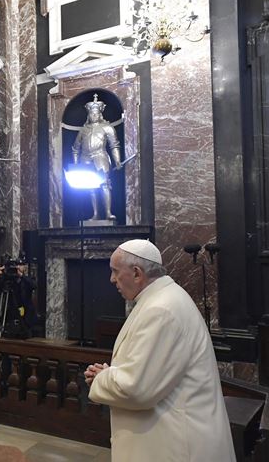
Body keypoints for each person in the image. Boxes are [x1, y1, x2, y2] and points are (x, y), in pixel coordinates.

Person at [84, 239, 234, 462]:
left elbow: (138, 389)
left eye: (115, 271)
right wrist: (112, 374)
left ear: (137, 273)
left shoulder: (161, 310)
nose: (112, 279)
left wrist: (102, 378)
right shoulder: (162, 298)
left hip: (175, 444)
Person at [71, 94, 122, 220]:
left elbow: (114, 145)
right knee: (91, 187)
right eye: (92, 113)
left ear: (100, 114)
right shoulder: (83, 130)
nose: (94, 116)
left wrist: (117, 161)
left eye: (96, 113)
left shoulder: (107, 128)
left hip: (101, 156)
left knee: (104, 184)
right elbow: (75, 148)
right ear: (89, 114)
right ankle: (95, 214)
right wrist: (76, 165)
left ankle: (108, 212)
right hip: (85, 158)